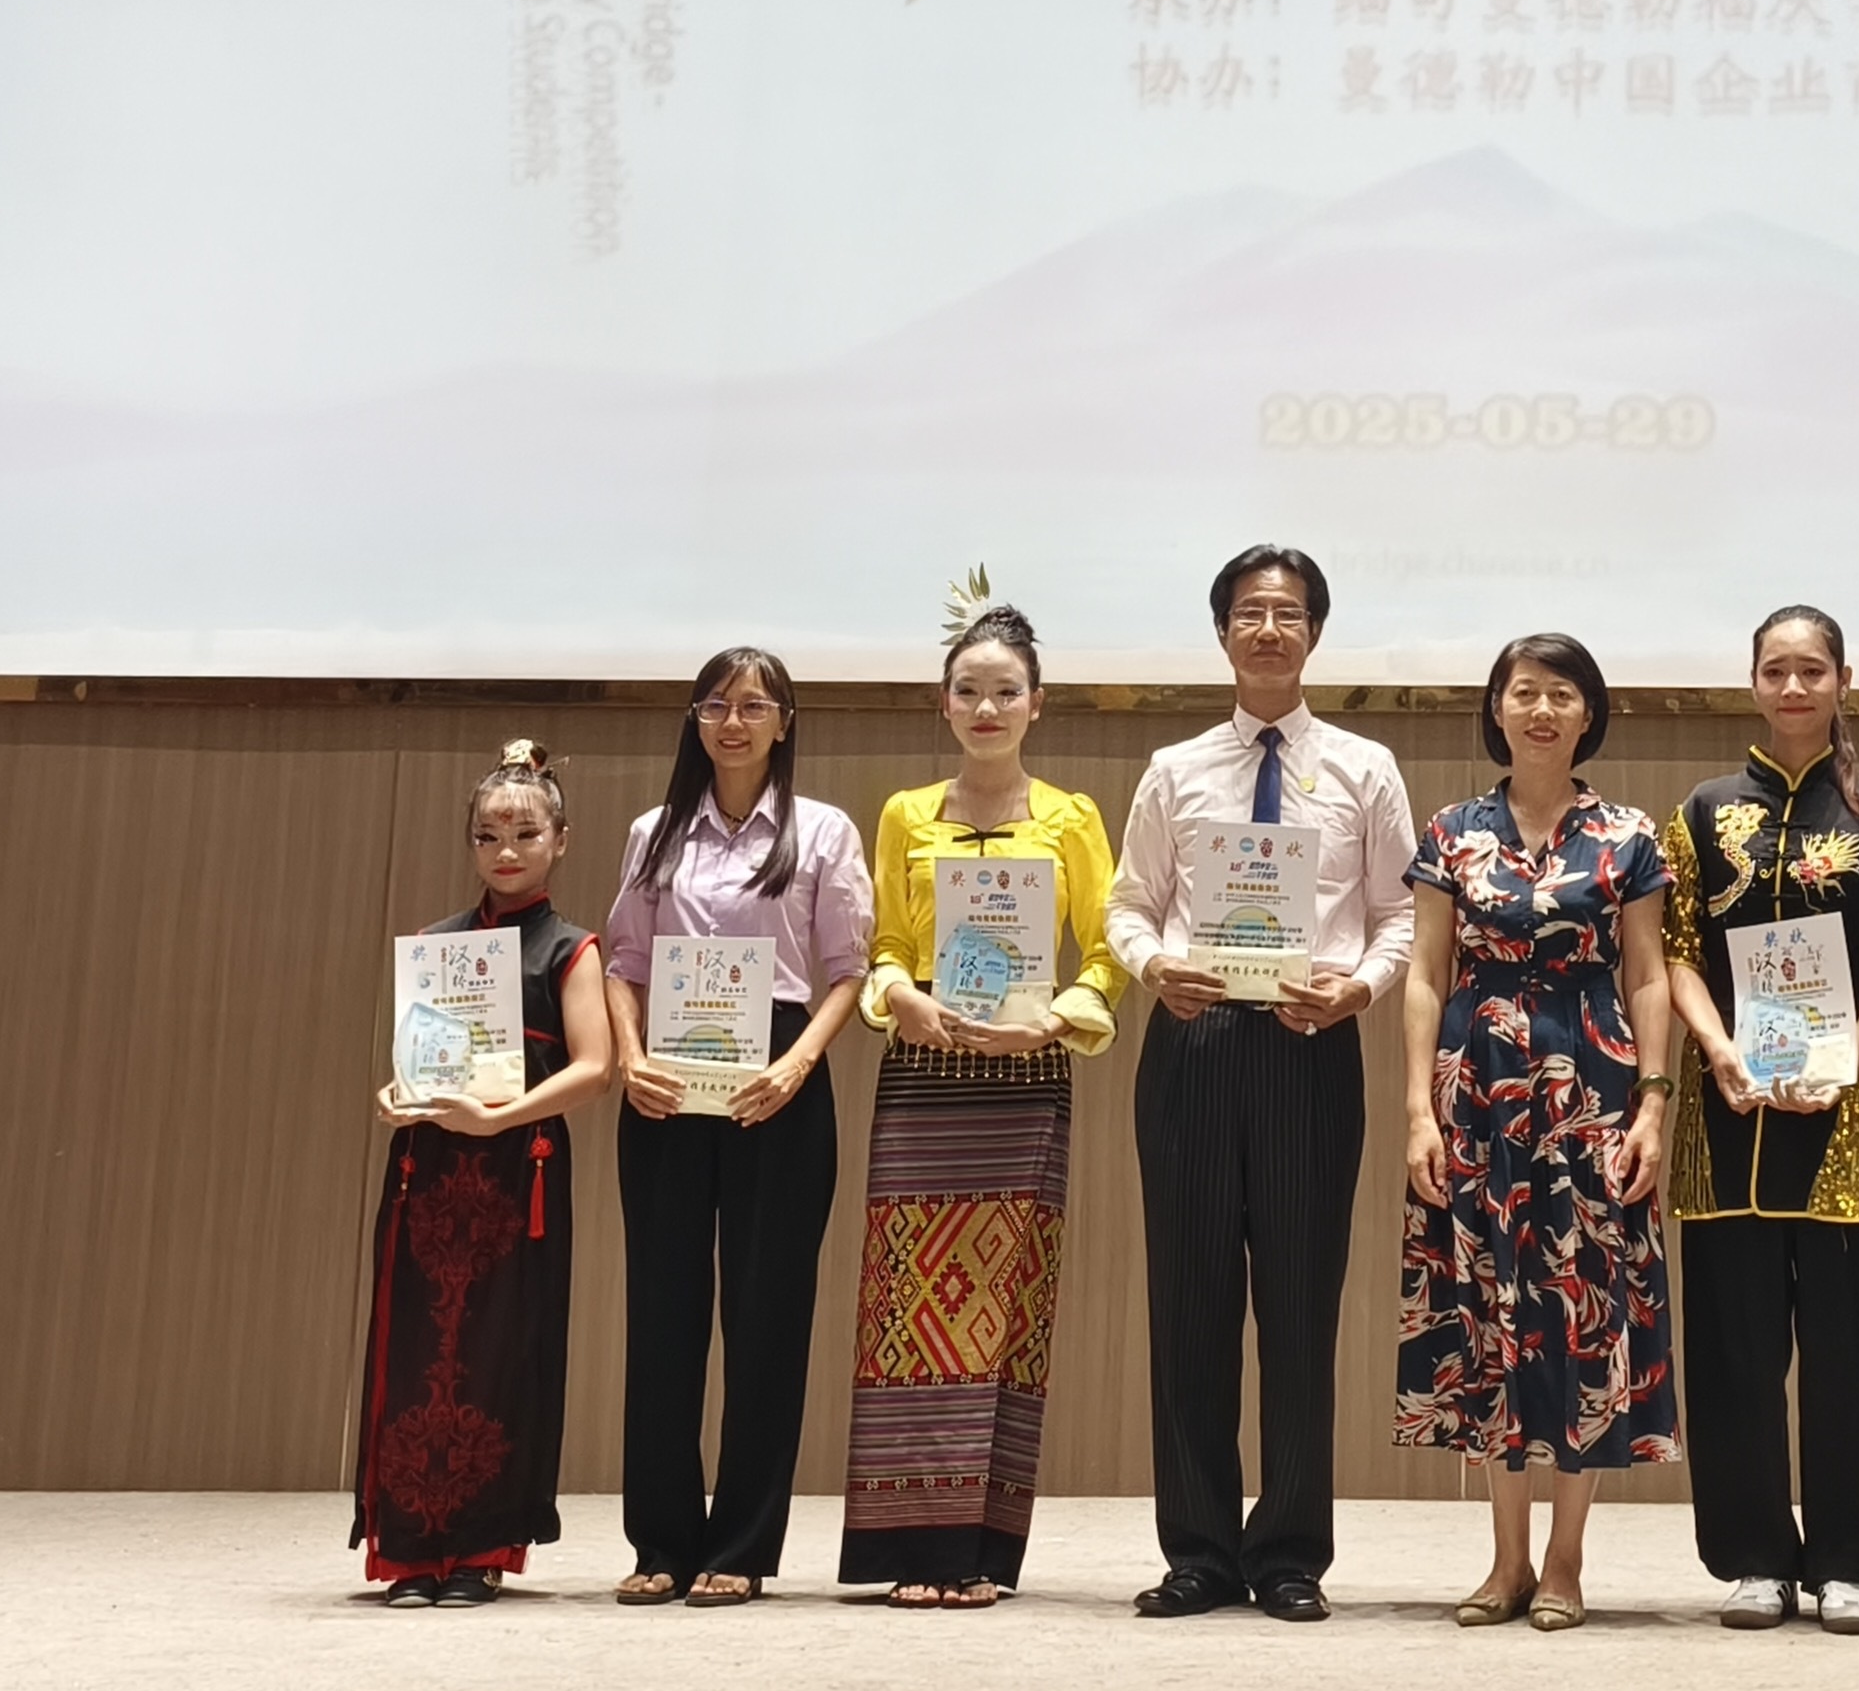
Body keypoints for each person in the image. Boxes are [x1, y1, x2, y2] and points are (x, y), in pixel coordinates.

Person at [1105, 544, 1414, 1623]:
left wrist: (1359, 990)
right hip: (1193, 1045)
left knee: (1298, 1306)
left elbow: (1401, 914)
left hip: (1310, 1048)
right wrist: (1154, 967)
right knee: (1189, 1304)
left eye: (1287, 613)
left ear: (1314, 633)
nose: (1269, 629)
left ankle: (1288, 1553)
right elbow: (1129, 904)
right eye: (1249, 612)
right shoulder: (1175, 769)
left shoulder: (1365, 767)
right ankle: (1196, 1550)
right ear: (1223, 632)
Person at [839, 598, 1128, 1608]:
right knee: (907, 1307)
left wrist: (1058, 1020)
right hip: (925, 1071)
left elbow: (1107, 949)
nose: (988, 707)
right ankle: (909, 1542)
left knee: (1007, 1308)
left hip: (1025, 1074)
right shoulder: (905, 813)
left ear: (1037, 703)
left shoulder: (1072, 818)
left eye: (1007, 691)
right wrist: (899, 997)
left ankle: (978, 1551)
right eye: (970, 691)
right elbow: (884, 944)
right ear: (944, 702)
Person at [1660, 604, 1859, 1634]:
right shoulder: (1702, 811)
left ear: (1842, 681)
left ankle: (1850, 1562)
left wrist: (1845, 1059)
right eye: (1774, 669)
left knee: (1854, 1351)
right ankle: (1753, 1559)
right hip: (1730, 1112)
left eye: (1811, 670)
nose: (1792, 687)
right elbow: (1676, 950)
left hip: (1847, 1120)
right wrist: (1716, 1048)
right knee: (1734, 1352)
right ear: (1752, 682)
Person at [1395, 632, 1680, 1632]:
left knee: (1584, 1308)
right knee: (1491, 1306)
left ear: (1589, 712)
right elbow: (1426, 972)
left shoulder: (1628, 835)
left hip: (1591, 1086)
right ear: (1498, 708)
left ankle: (1566, 1560)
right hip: (1477, 1088)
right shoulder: (1452, 832)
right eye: (1525, 692)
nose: (1543, 710)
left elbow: (1647, 974)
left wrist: (1654, 1103)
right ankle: (1505, 1559)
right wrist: (1417, 1109)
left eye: (1563, 693)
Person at [602, 646, 872, 1609]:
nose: (733, 721)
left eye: (754, 706)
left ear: (784, 722)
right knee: (662, 1314)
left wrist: (799, 1065)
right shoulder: (654, 832)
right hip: (668, 1080)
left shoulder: (823, 830)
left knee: (768, 1318)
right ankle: (660, 1541)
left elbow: (849, 972)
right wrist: (629, 1056)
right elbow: (625, 963)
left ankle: (744, 1544)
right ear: (695, 719)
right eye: (716, 704)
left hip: (778, 1077)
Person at [352, 739, 612, 1604]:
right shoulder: (436, 944)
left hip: (515, 1169)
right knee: (416, 1347)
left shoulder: (572, 949)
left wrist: (500, 1116)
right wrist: (399, 1094)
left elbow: (595, 1068)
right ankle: (409, 1548)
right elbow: (419, 1057)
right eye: (488, 836)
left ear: (560, 841)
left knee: (504, 1350)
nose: (506, 851)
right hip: (429, 1168)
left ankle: (479, 1550)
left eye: (526, 834)